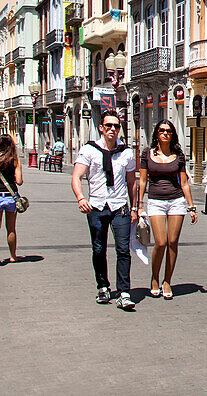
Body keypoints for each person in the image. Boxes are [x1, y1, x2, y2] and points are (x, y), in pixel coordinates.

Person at [71, 109, 138, 309]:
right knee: (99, 249)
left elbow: (132, 182)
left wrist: (134, 207)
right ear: (101, 128)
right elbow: (76, 177)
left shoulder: (126, 152)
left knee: (123, 249)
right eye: (108, 125)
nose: (112, 129)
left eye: (116, 126)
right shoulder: (89, 150)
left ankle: (124, 292)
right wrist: (81, 198)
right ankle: (103, 286)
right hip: (97, 206)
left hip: (120, 207)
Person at [137, 120, 197, 299]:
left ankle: (167, 280)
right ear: (157, 133)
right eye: (162, 130)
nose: (165, 133)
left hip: (176, 201)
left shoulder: (178, 154)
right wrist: (139, 204)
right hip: (155, 201)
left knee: (172, 242)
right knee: (160, 242)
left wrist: (191, 206)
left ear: (172, 134)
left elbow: (184, 183)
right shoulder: (147, 153)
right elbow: (142, 181)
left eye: (168, 131)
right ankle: (155, 277)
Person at [0, 135, 22, 262]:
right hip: (10, 197)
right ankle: (13, 256)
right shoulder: (15, 160)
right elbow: (19, 181)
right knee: (11, 228)